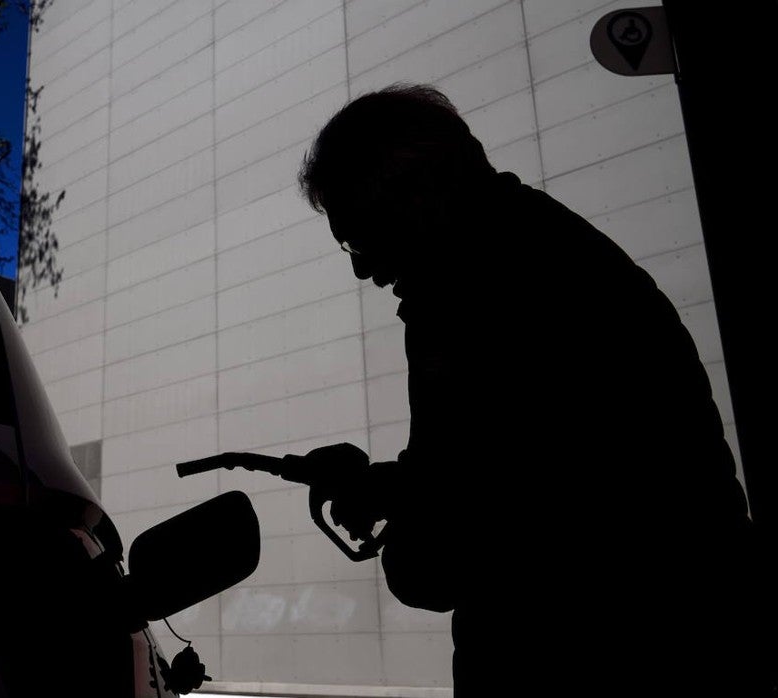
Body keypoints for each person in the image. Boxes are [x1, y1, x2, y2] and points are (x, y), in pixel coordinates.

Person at [295, 83, 768, 696]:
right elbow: (535, 473)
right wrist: (393, 486)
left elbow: (458, 545)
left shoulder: (478, 301)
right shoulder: (546, 257)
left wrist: (406, 527)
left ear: (419, 192)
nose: (361, 268)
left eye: (359, 236)